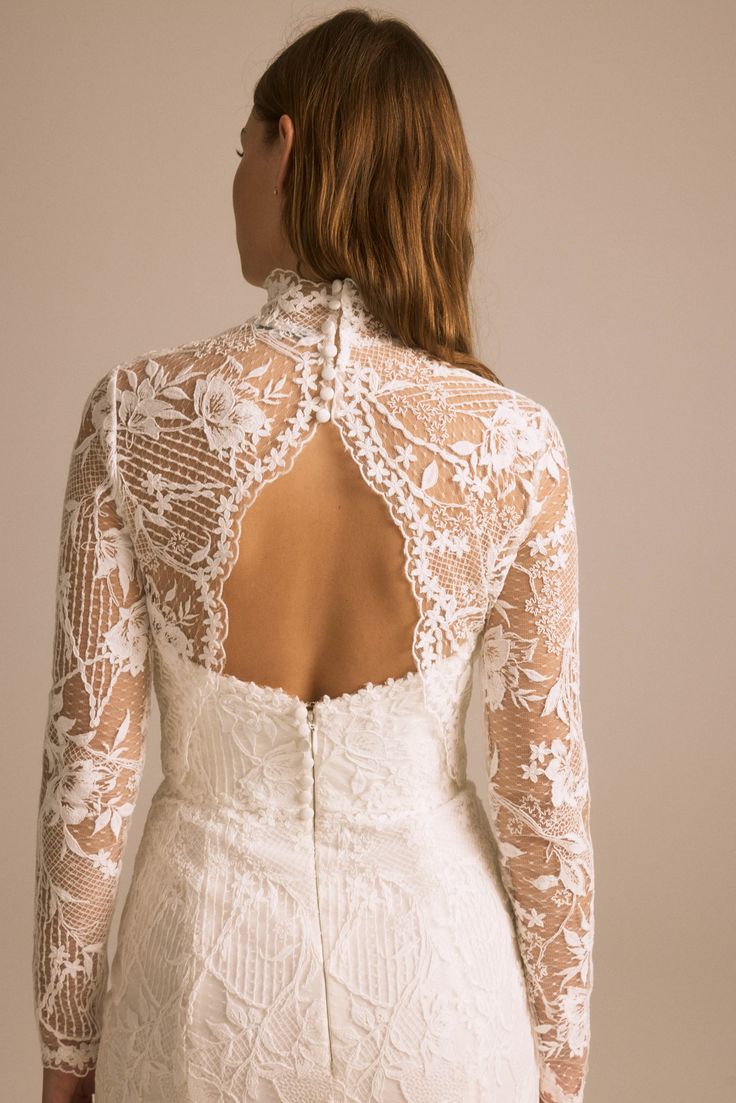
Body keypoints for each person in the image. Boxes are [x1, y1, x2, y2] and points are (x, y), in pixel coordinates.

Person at [32, 9, 594, 1103]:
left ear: (285, 145)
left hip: (196, 990)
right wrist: (558, 1068)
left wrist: (64, 1058)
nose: (235, 178)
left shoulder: (134, 416)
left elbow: (85, 786)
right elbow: (545, 803)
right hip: (440, 998)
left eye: (239, 148)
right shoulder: (514, 442)